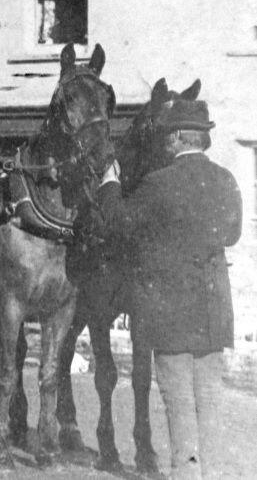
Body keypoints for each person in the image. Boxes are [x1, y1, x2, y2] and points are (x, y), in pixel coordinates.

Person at [98, 99, 242, 480]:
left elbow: (117, 226)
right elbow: (232, 233)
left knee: (179, 406)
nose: (163, 143)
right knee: (209, 405)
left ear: (178, 138)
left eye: (167, 136)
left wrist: (110, 185)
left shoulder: (157, 184)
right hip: (213, 317)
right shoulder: (226, 180)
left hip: (170, 318)